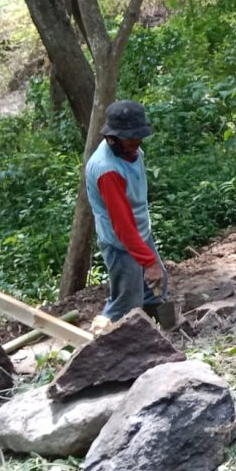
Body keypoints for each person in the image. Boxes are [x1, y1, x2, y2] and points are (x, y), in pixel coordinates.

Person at [84, 100, 169, 332]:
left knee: (157, 286)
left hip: (139, 232)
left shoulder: (130, 149)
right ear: (112, 138)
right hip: (120, 243)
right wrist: (148, 262)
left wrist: (150, 262)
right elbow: (122, 225)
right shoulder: (107, 170)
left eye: (138, 137)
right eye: (131, 139)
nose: (136, 143)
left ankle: (160, 332)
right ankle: (101, 339)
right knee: (127, 302)